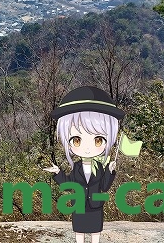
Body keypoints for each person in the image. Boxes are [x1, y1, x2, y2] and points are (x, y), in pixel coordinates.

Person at [43, 86, 123, 243]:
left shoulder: (100, 167)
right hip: (78, 208)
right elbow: (67, 184)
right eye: (77, 140)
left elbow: (105, 186)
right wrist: (57, 172)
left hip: (95, 207)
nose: (87, 148)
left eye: (98, 140)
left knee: (95, 236)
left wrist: (110, 171)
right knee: (79, 234)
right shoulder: (76, 168)